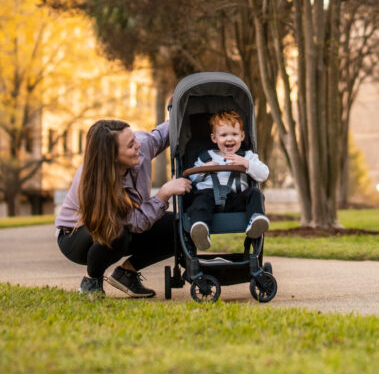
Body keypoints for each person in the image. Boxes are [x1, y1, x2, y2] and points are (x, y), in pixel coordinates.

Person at [55, 118, 191, 298]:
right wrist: (163, 194)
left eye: (134, 138)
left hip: (123, 226)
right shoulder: (95, 183)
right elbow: (135, 223)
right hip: (76, 236)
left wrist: (185, 107)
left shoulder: (140, 147)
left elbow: (164, 133)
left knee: (179, 227)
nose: (138, 146)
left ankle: (126, 273)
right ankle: (91, 280)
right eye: (130, 145)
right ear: (112, 156)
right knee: (117, 233)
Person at [186, 110, 269, 251]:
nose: (229, 139)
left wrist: (246, 164)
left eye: (234, 134)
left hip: (237, 199)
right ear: (214, 138)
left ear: (242, 136)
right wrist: (205, 168)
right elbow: (192, 177)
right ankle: (201, 228)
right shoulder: (206, 157)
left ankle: (255, 220)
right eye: (224, 135)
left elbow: (264, 174)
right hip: (209, 196)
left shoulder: (247, 156)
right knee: (201, 200)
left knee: (255, 193)